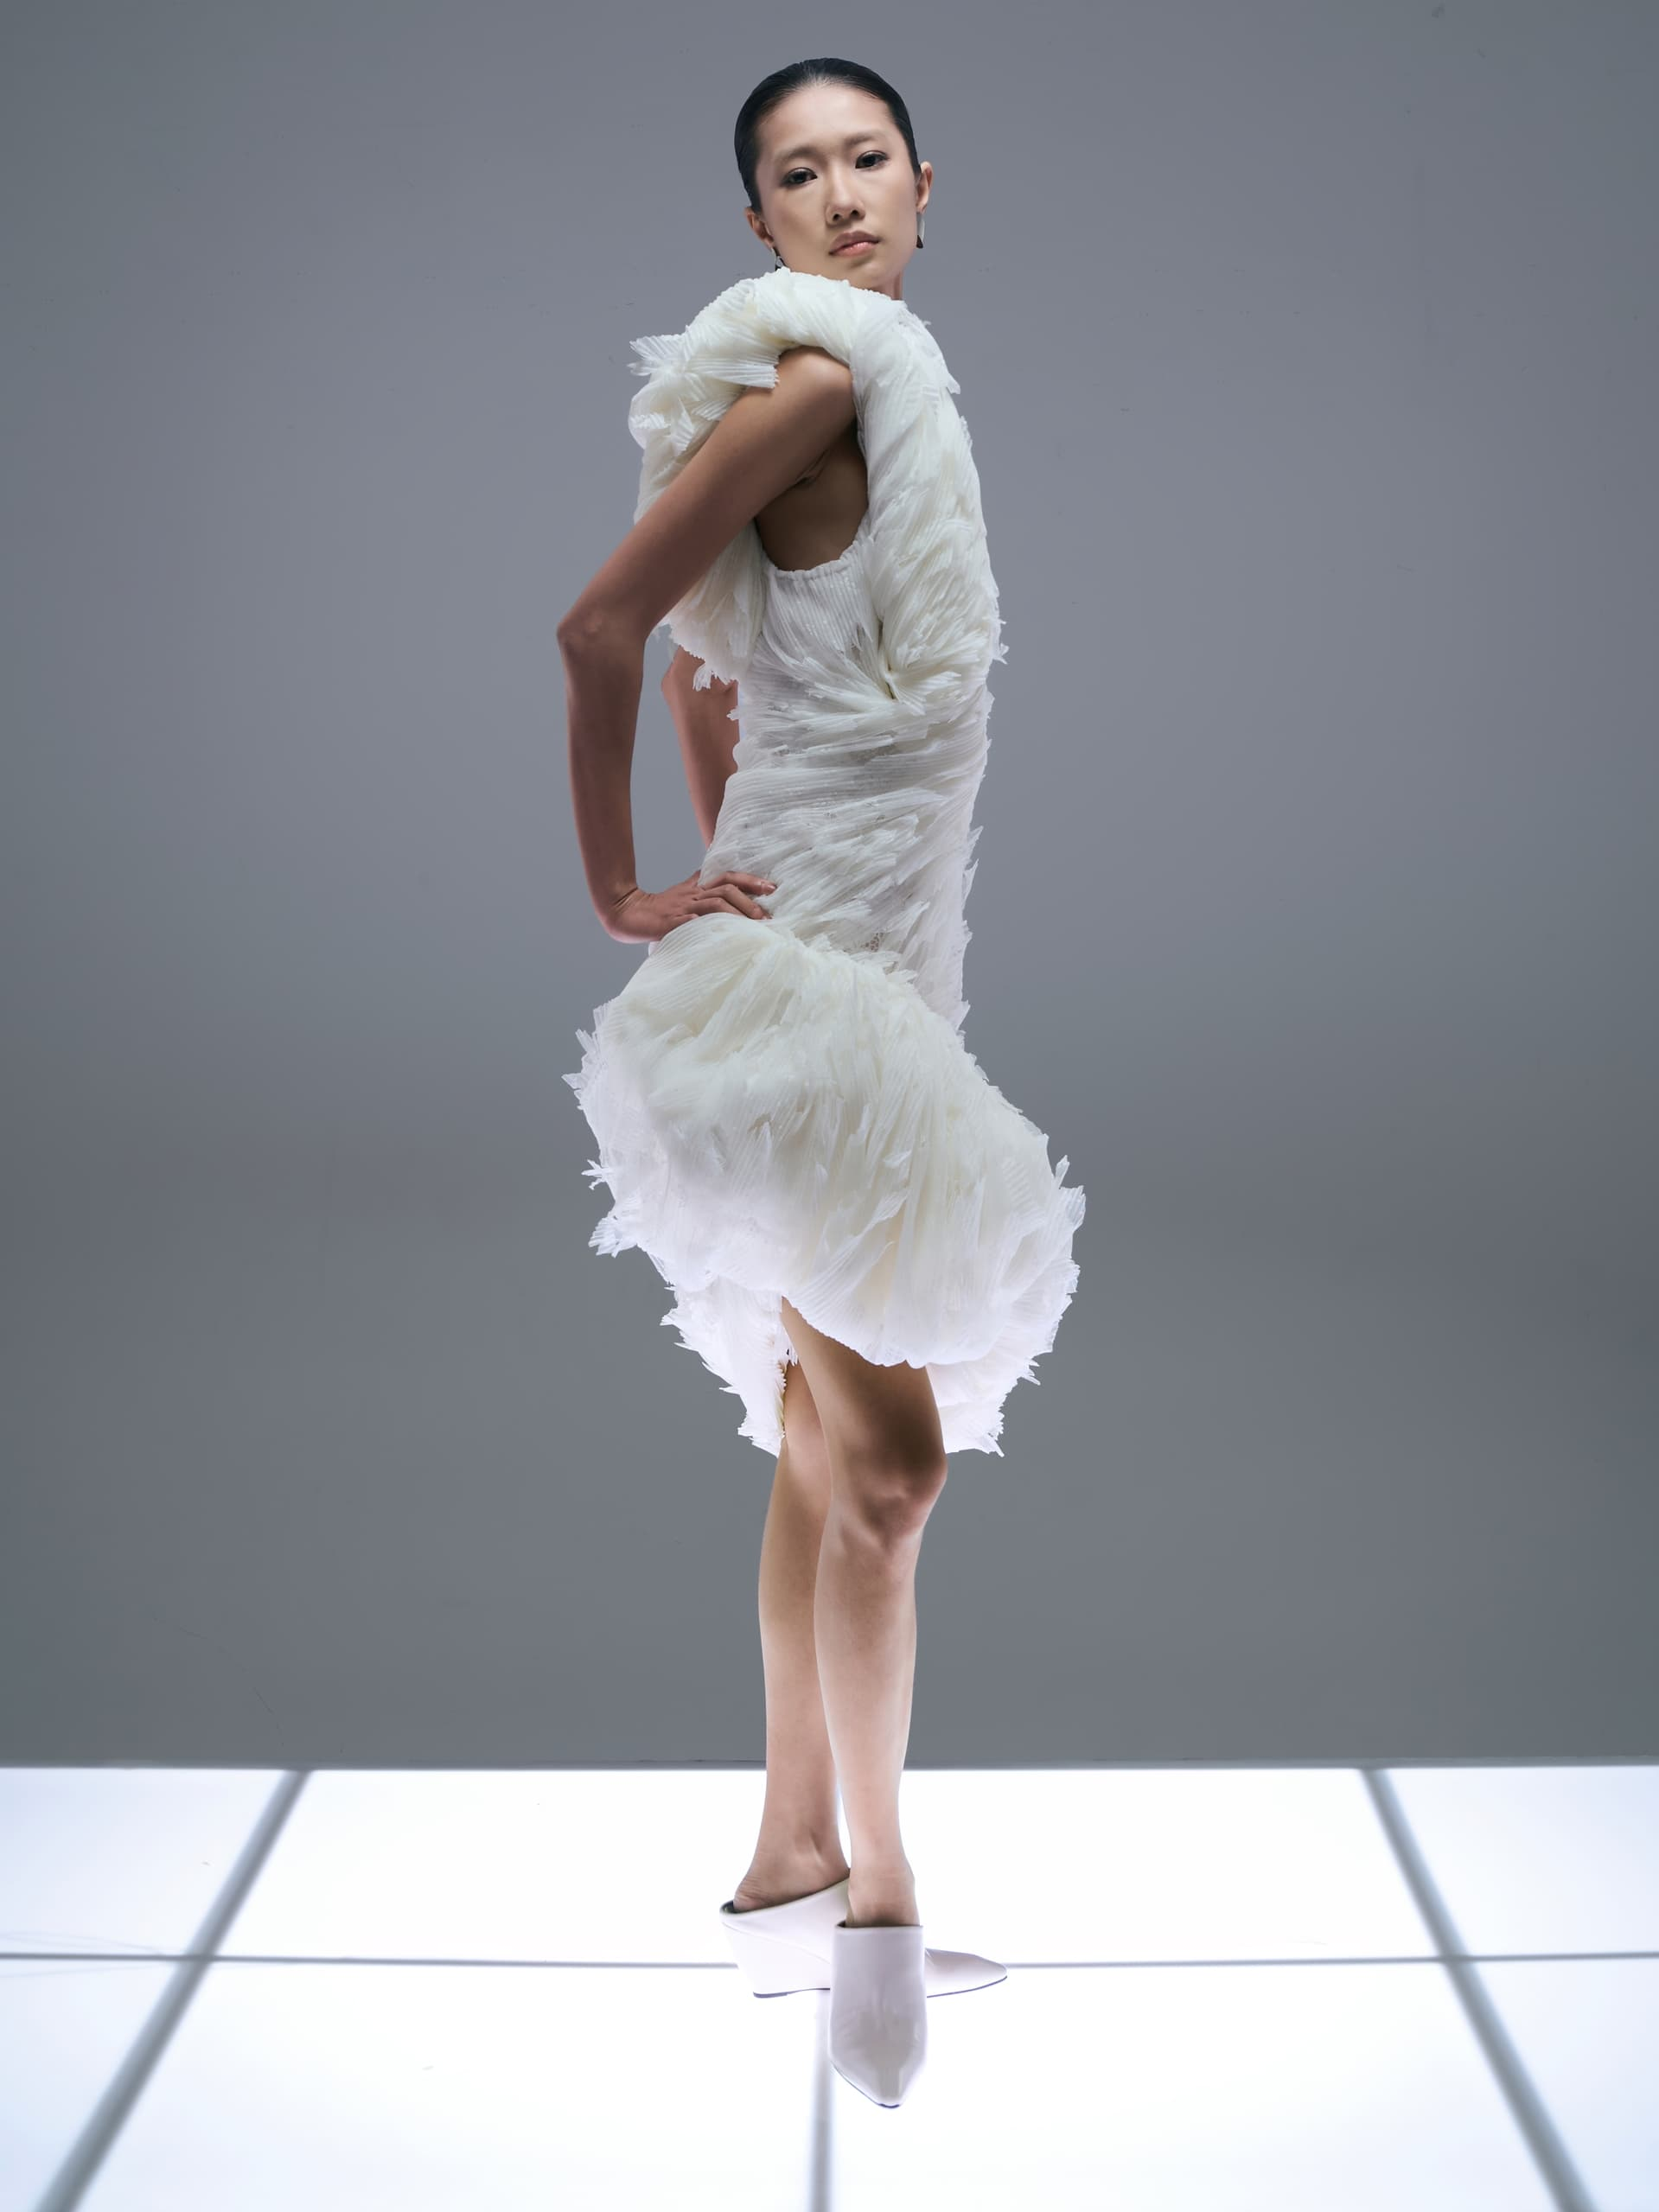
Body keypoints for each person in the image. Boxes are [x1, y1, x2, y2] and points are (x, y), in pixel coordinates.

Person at [559, 58, 1084, 2107]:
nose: (841, 196)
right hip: (799, 1023)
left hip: (870, 984)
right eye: (799, 174)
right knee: (888, 1468)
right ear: (758, 222)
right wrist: (637, 888)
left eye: (867, 160)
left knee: (811, 1434)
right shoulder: (808, 392)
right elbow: (607, 629)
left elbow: (723, 670)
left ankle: (786, 1859)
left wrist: (742, 845)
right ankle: (877, 1907)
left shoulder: (876, 403)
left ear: (924, 190)